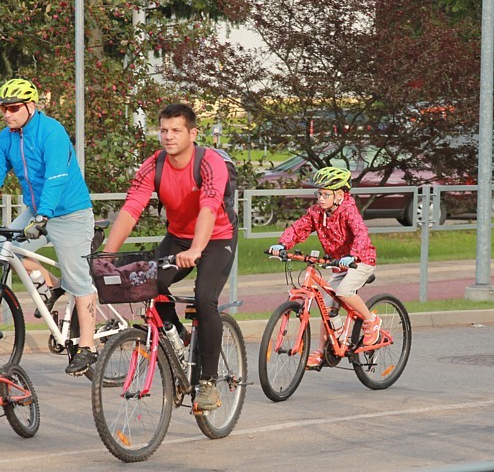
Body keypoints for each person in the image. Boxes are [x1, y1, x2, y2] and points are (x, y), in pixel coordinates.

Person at [103, 103, 237, 411]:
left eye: (176, 130)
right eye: (163, 130)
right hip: (178, 237)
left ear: (193, 133)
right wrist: (108, 254)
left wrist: (196, 250)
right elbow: (131, 209)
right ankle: (176, 332)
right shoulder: (154, 165)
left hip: (216, 238)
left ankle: (207, 383)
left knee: (204, 299)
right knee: (146, 283)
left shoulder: (209, 162)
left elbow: (209, 207)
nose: (168, 136)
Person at [0, 77, 98, 375]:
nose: (7, 114)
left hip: (71, 213)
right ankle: (51, 284)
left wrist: (43, 217)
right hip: (36, 209)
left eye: (13, 108)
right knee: (6, 249)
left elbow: (56, 177)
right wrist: (37, 214)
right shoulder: (6, 137)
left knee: (79, 279)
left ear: (31, 106)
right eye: (3, 108)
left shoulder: (52, 131)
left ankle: (88, 346)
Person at [268, 166, 380, 369]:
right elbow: (298, 227)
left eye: (325, 194)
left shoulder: (349, 210)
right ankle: (325, 348)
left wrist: (352, 255)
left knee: (345, 291)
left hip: (360, 260)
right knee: (327, 309)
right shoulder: (317, 213)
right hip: (338, 264)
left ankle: (371, 321)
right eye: (318, 193)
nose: (320, 198)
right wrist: (282, 244)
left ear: (339, 195)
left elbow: (361, 234)